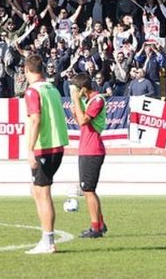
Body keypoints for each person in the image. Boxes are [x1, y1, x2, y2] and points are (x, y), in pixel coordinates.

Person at [23, 54, 69, 254]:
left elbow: (35, 120)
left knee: (43, 194)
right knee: (36, 190)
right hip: (57, 145)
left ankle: (48, 241)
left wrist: (30, 149)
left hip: (44, 146)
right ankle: (47, 238)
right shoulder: (52, 88)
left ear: (26, 70)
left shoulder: (33, 91)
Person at [69, 73, 108, 239]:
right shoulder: (88, 101)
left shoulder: (97, 100)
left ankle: (95, 228)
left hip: (92, 149)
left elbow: (84, 120)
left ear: (83, 89)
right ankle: (100, 223)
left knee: (88, 189)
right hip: (86, 148)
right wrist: (74, 112)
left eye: (76, 90)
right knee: (89, 190)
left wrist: (76, 101)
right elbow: (81, 122)